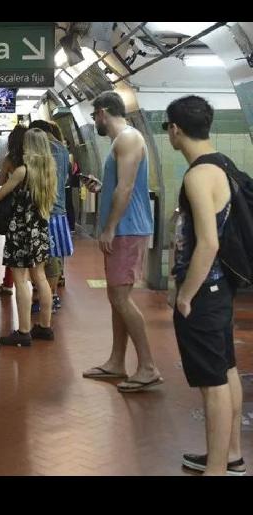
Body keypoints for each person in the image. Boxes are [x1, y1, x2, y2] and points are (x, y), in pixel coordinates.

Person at [166, 95, 245, 476]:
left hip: (204, 292)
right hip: (221, 289)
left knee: (212, 383)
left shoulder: (198, 175)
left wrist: (185, 294)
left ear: (175, 130)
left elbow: (208, 242)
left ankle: (216, 469)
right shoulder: (223, 165)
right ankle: (230, 456)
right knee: (225, 369)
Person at [81, 91, 163, 392]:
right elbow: (119, 187)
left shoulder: (128, 138)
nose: (95, 122)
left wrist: (110, 228)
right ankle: (117, 361)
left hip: (127, 230)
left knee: (120, 298)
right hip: (124, 228)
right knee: (116, 298)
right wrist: (103, 187)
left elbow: (127, 189)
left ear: (103, 112)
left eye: (94, 116)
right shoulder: (122, 141)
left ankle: (148, 366)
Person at [0, 128, 57, 346]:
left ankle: (24, 331)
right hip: (40, 229)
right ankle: (45, 327)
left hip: (21, 231)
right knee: (40, 278)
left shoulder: (22, 171)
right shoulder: (49, 169)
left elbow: (0, 193)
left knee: (20, 279)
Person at [29, 120, 73, 314]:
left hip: (47, 210)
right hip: (58, 209)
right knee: (54, 256)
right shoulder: (63, 150)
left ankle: (50, 296)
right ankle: (50, 294)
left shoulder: (49, 150)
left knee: (48, 257)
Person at [0, 125, 27, 296]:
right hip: (32, 212)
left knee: (12, 248)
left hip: (13, 211)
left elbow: (2, 181)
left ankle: (8, 284)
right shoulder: (33, 160)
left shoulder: (10, 159)